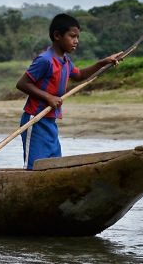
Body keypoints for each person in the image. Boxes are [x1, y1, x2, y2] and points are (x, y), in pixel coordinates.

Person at [15, 14, 121, 169]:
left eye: (77, 37)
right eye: (72, 36)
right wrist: (48, 97)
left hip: (50, 121)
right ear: (57, 35)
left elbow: (79, 76)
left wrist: (103, 63)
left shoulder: (65, 61)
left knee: (53, 164)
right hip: (35, 120)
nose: (76, 41)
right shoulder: (45, 60)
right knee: (35, 167)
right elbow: (22, 83)